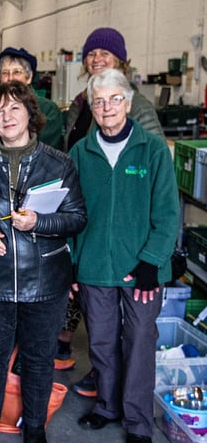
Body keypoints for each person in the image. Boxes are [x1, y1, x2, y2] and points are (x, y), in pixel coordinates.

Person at [0, 81, 86, 443]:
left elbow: (77, 217)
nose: (6, 116)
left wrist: (41, 223)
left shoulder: (59, 162)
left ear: (31, 115)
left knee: (38, 357)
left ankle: (35, 427)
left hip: (44, 282)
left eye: (14, 108)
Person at [71, 68, 179, 443]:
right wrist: (72, 260)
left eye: (114, 99)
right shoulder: (80, 153)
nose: (106, 107)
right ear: (92, 107)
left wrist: (152, 262)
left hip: (143, 272)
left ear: (128, 103)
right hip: (95, 266)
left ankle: (138, 422)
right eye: (98, 101)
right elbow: (69, 213)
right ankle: (107, 405)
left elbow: (168, 213)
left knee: (138, 343)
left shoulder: (152, 150)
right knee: (100, 342)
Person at [63, 27, 165, 394]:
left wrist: (153, 256)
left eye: (105, 53)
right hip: (91, 235)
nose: (96, 58)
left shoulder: (140, 114)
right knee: (101, 329)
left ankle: (130, 403)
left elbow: (158, 185)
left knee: (135, 332)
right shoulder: (80, 102)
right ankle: (107, 389)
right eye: (90, 53)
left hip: (131, 235)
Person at [0, 47, 64, 150]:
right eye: (5, 73)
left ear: (29, 77)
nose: (10, 78)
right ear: (0, 79)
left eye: (17, 72)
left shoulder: (48, 110)